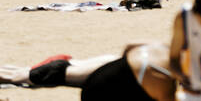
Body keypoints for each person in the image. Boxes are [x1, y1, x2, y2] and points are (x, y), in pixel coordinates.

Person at [0, 43, 175, 101]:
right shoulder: (156, 78)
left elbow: (129, 46)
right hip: (57, 71)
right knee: (14, 76)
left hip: (66, 65)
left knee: (16, 72)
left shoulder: (156, 51)